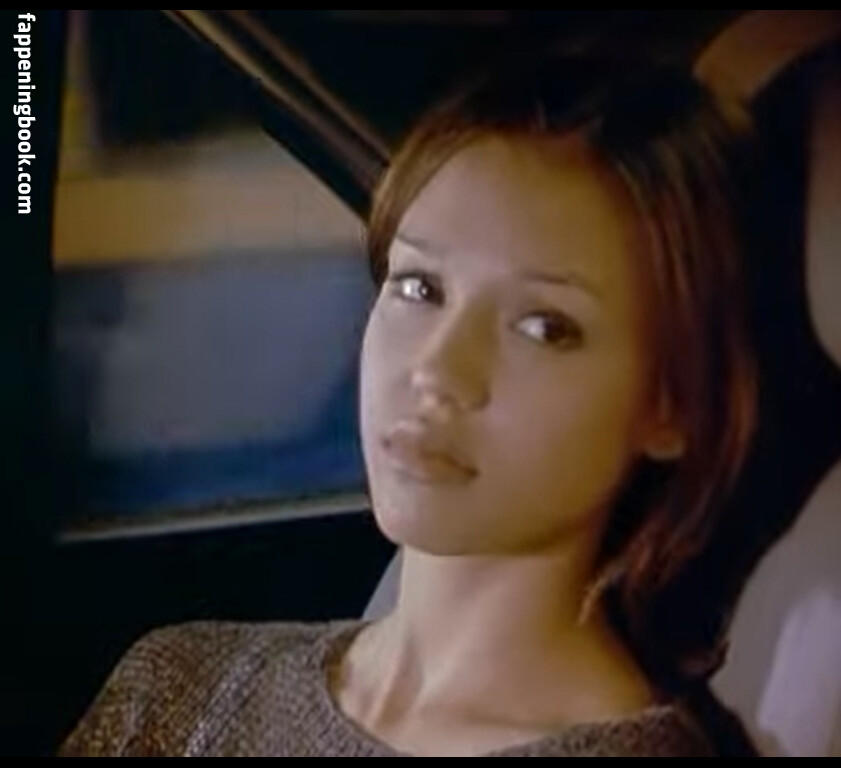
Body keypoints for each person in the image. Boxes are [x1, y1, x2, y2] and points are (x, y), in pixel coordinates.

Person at [58, 52, 762, 757]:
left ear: (672, 405)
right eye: (420, 288)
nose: (437, 369)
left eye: (543, 327)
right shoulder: (185, 684)